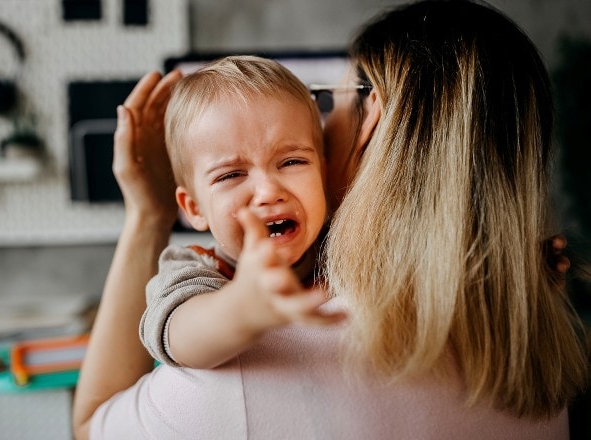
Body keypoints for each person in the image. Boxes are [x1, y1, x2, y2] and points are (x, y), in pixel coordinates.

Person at [73, 1, 588, 439]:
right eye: (233, 173)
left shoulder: (256, 362)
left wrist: (146, 216)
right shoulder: (531, 336)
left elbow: (92, 426)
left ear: (372, 117)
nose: (269, 188)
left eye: (330, 102)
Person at [139, 55, 343, 370]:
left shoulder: (345, 245)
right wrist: (241, 307)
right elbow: (179, 336)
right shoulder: (194, 268)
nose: (268, 192)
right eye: (231, 175)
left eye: (291, 162)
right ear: (194, 208)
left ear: (323, 175)